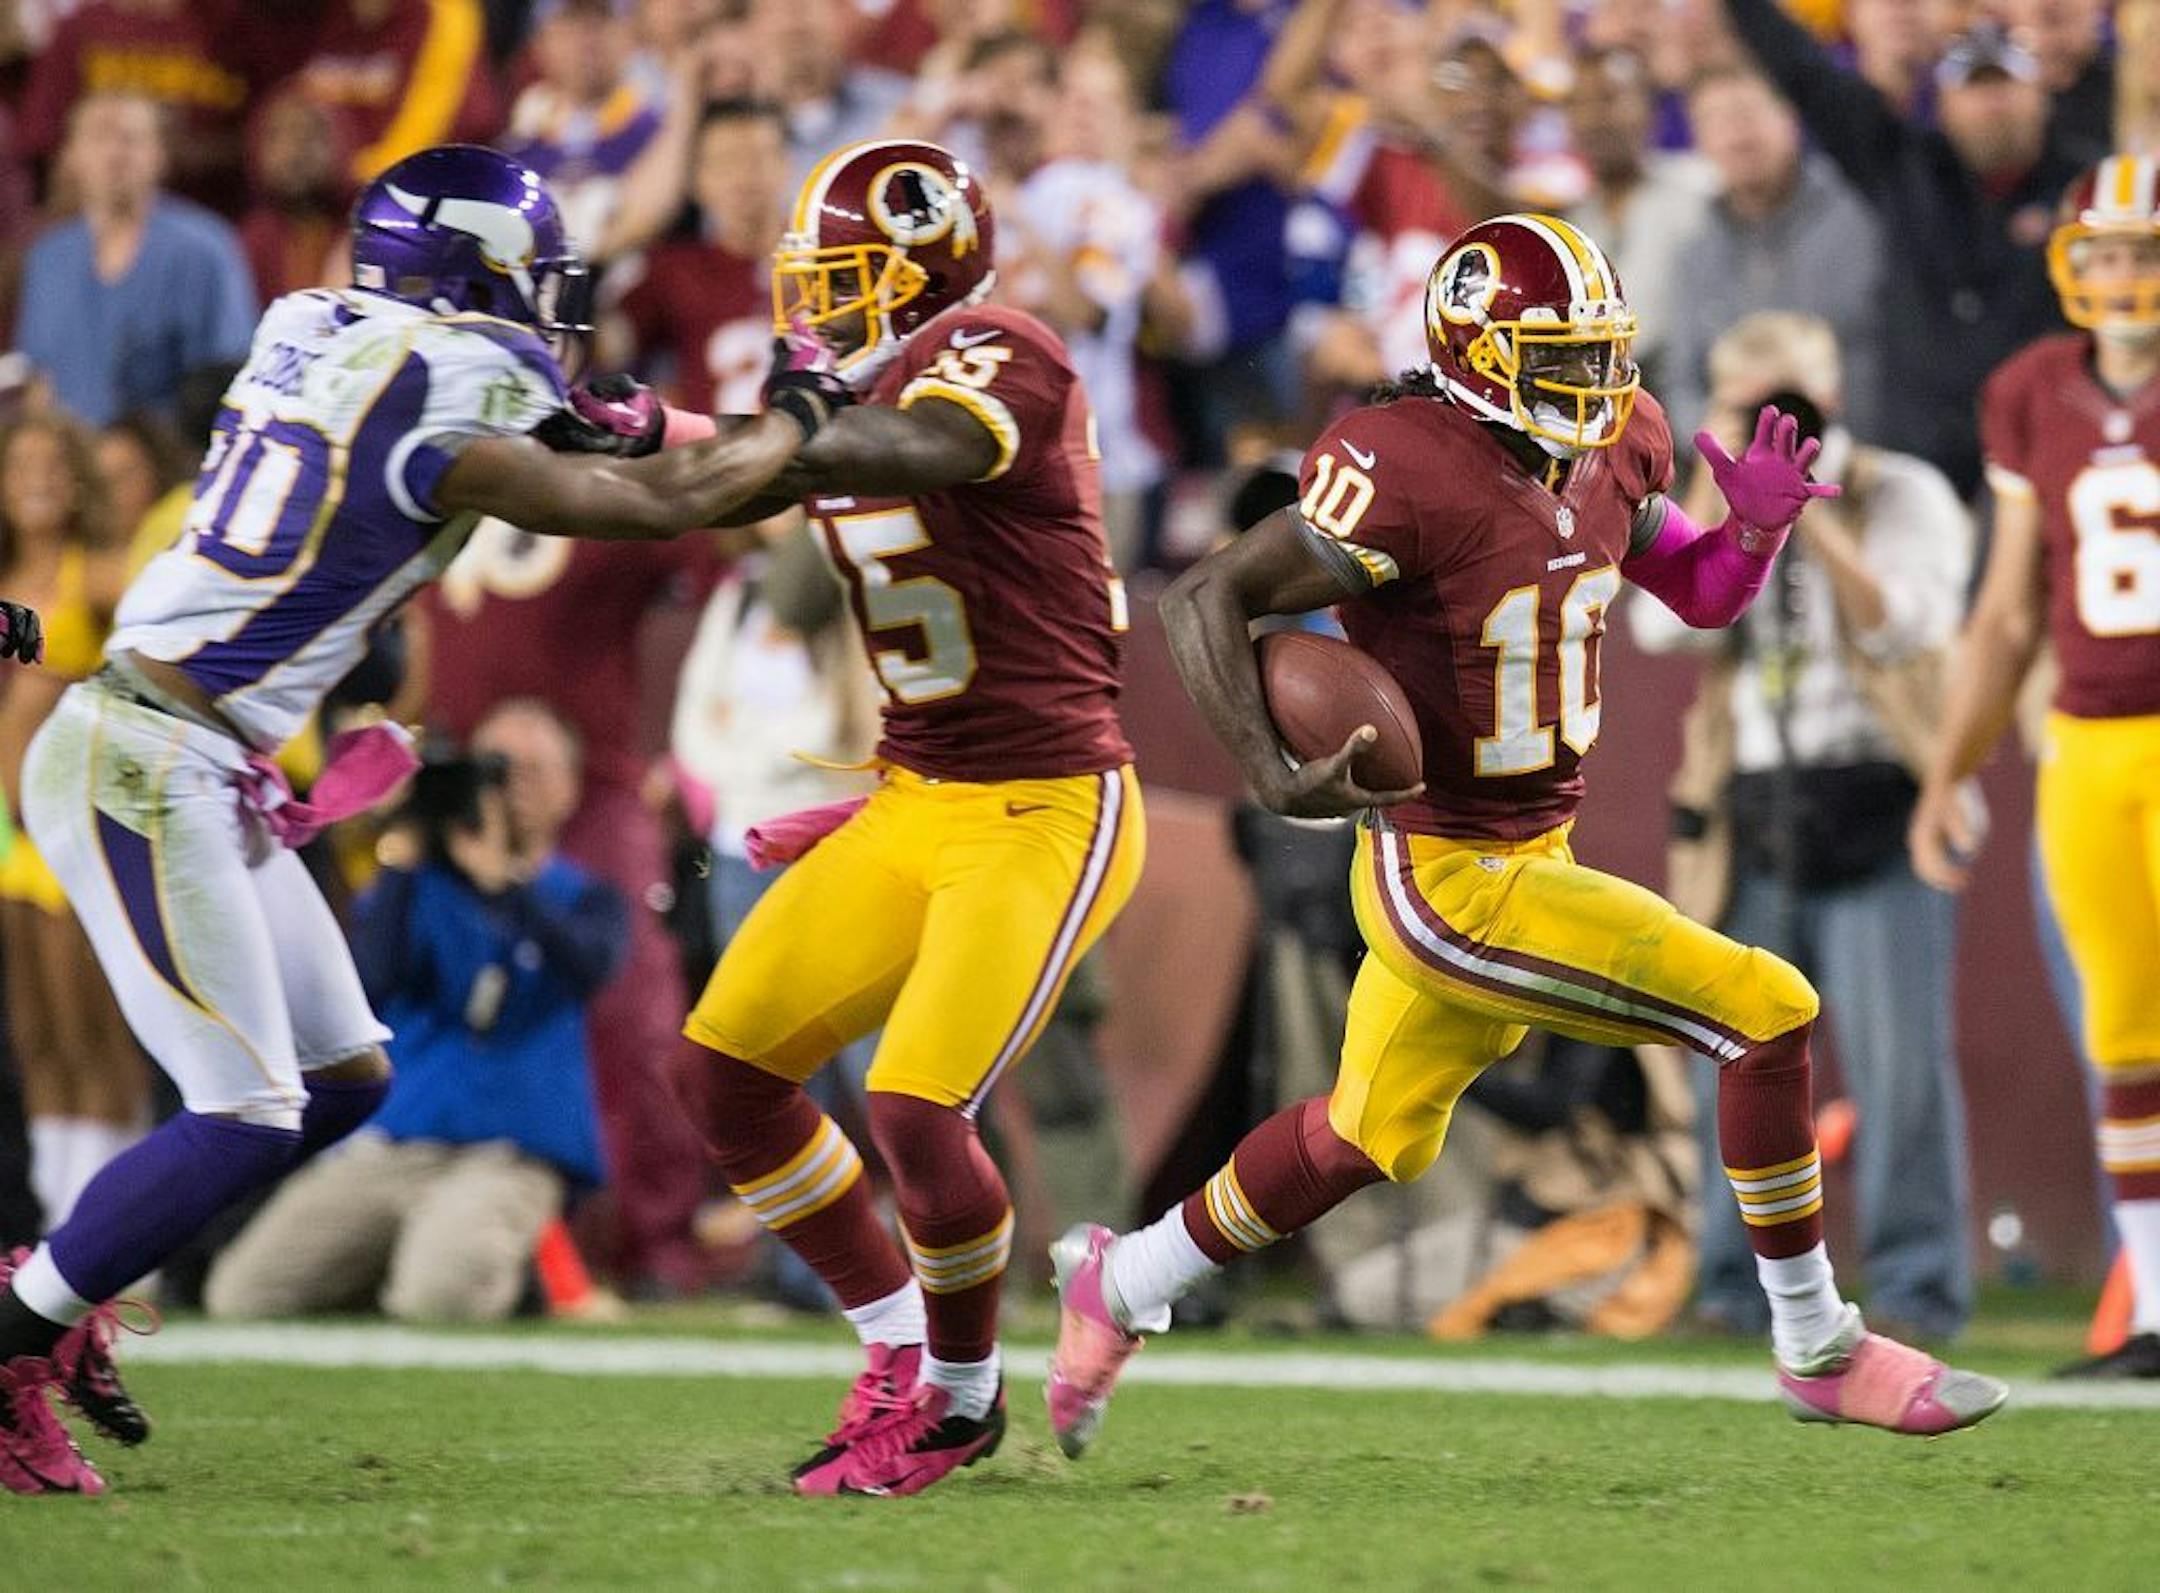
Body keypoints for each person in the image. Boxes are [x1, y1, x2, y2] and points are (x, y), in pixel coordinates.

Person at [1046, 214, 2006, 1459]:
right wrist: (1274, 775)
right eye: (1563, 359)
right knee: (1764, 1010)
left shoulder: (1614, 447)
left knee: (1363, 1136)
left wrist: (1756, 531)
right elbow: (1204, 596)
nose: (1598, 386)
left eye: (1605, 355)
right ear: (1478, 356)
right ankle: (1818, 1343)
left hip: (1533, 849)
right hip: (1446, 872)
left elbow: (1700, 590)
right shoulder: (1406, 467)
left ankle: (1118, 1287)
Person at [0, 141, 850, 1498]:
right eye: (531, 278)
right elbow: (654, 494)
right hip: (145, 756)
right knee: (246, 1108)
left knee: (347, 1080)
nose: (550, 307)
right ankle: (22, 1330)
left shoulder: (312, 325)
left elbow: (575, 436)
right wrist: (799, 417)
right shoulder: (458, 394)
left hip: (205, 755)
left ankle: (61, 1287)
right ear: (472, 280)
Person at [660, 138, 1144, 1497]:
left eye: (845, 280)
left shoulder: (999, 346)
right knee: (726, 1074)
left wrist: (794, 419)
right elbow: (713, 481)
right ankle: (890, 1343)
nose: (815, 309)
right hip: (915, 789)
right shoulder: (857, 392)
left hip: (1045, 801)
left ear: (922, 269)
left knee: (917, 1107)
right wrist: (616, 433)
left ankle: (961, 1396)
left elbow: (921, 444)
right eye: (808, 285)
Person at [1633, 311, 1976, 1343]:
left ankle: (1919, 1287)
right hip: (1756, 811)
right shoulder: (1711, 494)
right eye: (1753, 403)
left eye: (1795, 397)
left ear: (1836, 390)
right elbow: (1660, 625)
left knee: (1900, 1067)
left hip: (1879, 798)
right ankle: (1733, 1290)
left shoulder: (1899, 489)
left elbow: (1905, 620)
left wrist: (1805, 516)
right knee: (1735, 1058)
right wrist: (1722, 495)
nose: (1780, 417)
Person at [1910, 154, 2160, 1380]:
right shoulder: (2029, 392)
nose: (2123, 279)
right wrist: (1949, 767)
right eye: (2104, 255)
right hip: (2090, 742)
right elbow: (2008, 614)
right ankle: (2158, 1314)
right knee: (2122, 1027)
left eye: (2144, 254)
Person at [204, 703, 623, 1324]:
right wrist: (403, 846)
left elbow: (587, 969)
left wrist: (507, 882)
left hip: (507, 1151)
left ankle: (500, 1267)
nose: (511, 788)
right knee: (244, 1296)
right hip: (394, 1143)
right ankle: (418, 1261)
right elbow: (368, 983)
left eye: (531, 770)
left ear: (568, 788)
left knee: (438, 1301)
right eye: (496, 770)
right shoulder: (416, 888)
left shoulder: (586, 897)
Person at [1717, 6, 2100, 496]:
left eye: (2004, 83)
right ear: (1943, 100)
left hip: (2047, 453)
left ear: (2040, 93)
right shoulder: (1904, 166)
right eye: (1974, 87)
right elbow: (1803, 72)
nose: (1991, 103)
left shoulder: (2083, 185)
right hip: (1923, 460)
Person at [1661, 64, 1884, 445]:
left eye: (1749, 111)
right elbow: (1681, 384)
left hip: (1861, 459)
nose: (1736, 133)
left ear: (1791, 116)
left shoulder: (1863, 217)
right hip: (1739, 475)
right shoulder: (1694, 254)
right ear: (1699, 139)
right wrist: (1708, 436)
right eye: (1716, 120)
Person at [13, 92, 257, 427]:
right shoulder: (49, 258)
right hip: (77, 465)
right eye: (99, 137)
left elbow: (227, 377)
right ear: (71, 155)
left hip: (170, 461)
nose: (115, 154)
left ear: (160, 154)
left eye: (130, 139)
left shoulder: (205, 249)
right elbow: (39, 381)